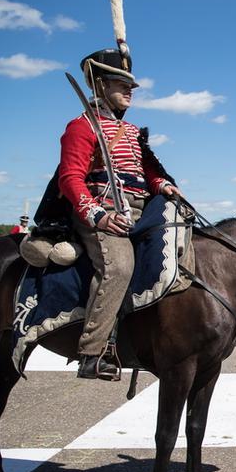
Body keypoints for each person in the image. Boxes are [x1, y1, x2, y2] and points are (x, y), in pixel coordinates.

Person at [58, 38, 181, 379]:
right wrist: (98, 215)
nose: (131, 90)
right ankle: (92, 352)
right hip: (100, 214)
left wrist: (162, 184)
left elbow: (145, 173)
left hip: (139, 211)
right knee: (121, 266)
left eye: (131, 85)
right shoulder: (82, 126)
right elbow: (70, 179)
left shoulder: (129, 130)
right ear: (100, 84)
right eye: (122, 84)